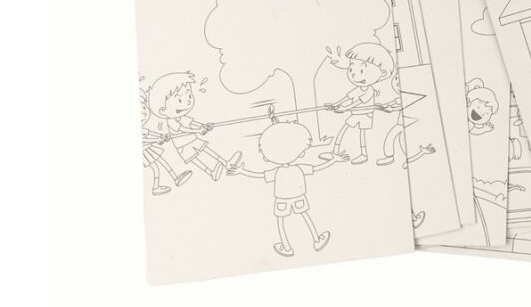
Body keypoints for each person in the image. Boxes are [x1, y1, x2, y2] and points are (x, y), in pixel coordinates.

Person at [228, 121, 348, 256]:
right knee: (305, 215)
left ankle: (286, 247)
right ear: (301, 152)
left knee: (281, 220)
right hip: (299, 197)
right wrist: (334, 160)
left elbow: (259, 175)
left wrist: (241, 171)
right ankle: (317, 239)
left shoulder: (276, 171)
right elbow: (317, 167)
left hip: (282, 200)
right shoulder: (300, 167)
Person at [142, 71, 240, 181]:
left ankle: (226, 163)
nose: (188, 101)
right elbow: (183, 129)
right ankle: (211, 172)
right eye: (180, 100)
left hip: (192, 139)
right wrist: (197, 131)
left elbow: (191, 123)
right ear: (163, 110)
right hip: (183, 145)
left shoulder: (182, 117)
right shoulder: (171, 121)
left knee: (207, 150)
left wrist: (203, 126)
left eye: (189, 95)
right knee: (195, 159)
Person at [324, 43, 400, 165]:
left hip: (365, 115)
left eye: (361, 70)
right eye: (351, 69)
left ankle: (363, 155)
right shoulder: (359, 88)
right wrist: (334, 104)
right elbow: (348, 98)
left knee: (361, 135)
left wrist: (344, 108)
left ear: (382, 73)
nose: (354, 75)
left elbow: (357, 102)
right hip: (356, 113)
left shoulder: (369, 91)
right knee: (344, 129)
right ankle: (335, 152)